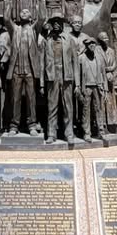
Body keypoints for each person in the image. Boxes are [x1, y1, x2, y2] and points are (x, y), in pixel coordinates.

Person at [41, 14, 78, 144]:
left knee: (68, 107)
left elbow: (75, 62)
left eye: (59, 22)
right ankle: (51, 133)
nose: (56, 24)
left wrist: (77, 84)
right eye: (54, 22)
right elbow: (42, 63)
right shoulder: (47, 40)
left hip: (67, 76)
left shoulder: (69, 39)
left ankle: (69, 134)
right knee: (52, 106)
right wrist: (41, 83)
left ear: (62, 24)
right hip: (52, 76)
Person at [6, 8, 42, 135]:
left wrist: (41, 3)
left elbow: (41, 19)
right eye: (22, 11)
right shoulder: (15, 29)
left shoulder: (34, 30)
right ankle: (14, 125)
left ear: (31, 15)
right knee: (15, 98)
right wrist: (8, 2)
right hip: (16, 69)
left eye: (27, 11)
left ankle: (32, 124)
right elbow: (6, 19)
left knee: (31, 98)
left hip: (30, 70)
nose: (24, 12)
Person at [96, 32, 117, 132]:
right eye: (103, 38)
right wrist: (105, 70)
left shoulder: (111, 51)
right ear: (100, 40)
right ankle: (102, 122)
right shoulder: (97, 49)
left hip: (109, 78)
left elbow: (114, 64)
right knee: (101, 100)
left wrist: (109, 70)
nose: (106, 39)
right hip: (101, 77)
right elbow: (97, 63)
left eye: (106, 37)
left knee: (110, 100)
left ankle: (112, 121)